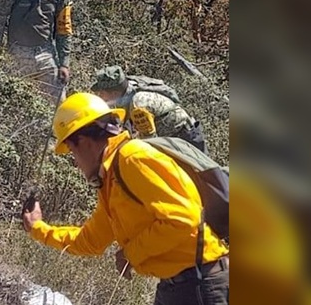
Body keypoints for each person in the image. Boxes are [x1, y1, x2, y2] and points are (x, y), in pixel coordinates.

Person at [21, 92, 229, 305]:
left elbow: (183, 220)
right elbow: (91, 241)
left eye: (72, 151)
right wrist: (38, 228)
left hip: (202, 285)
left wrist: (130, 253)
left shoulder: (132, 158)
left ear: (84, 142)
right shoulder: (112, 177)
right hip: (179, 287)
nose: (76, 162)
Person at [91, 65, 207, 153]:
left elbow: (149, 143)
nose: (100, 96)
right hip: (178, 140)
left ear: (114, 93)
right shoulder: (131, 93)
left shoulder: (138, 105)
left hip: (186, 142)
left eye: (102, 92)